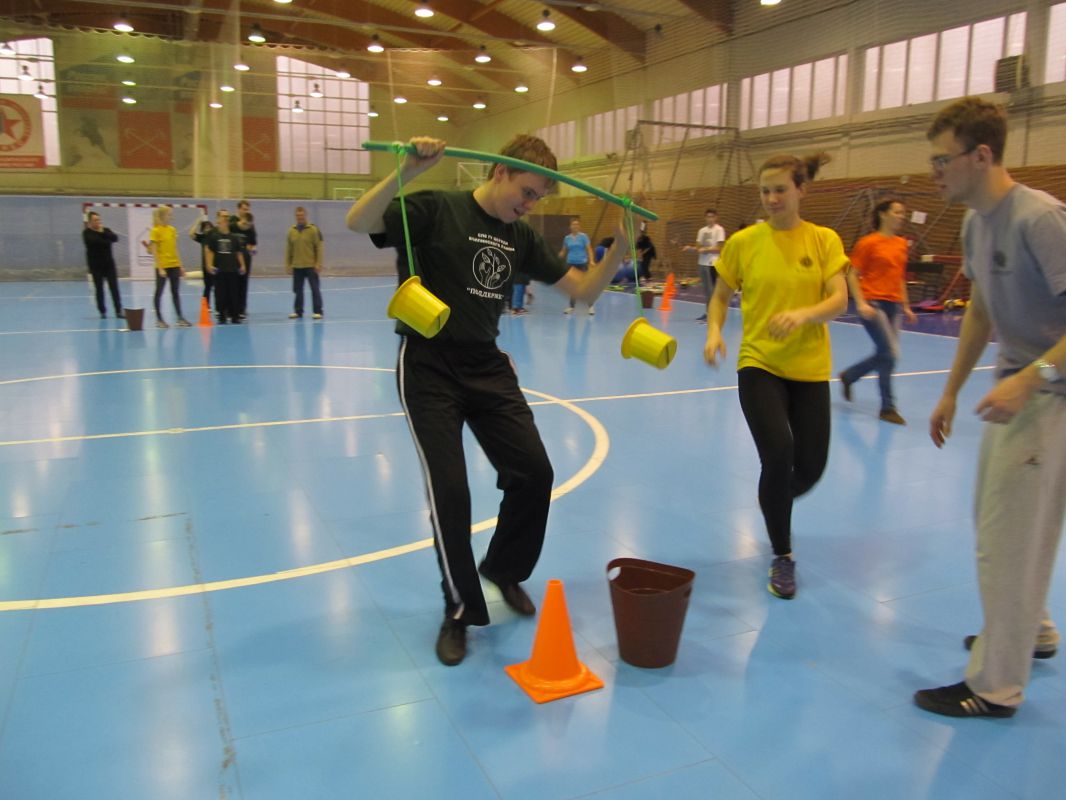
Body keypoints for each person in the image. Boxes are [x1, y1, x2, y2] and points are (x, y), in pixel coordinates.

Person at [345, 134, 626, 666]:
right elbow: (359, 222)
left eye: (539, 197)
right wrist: (409, 169)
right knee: (451, 492)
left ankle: (503, 569)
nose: (531, 204)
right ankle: (459, 611)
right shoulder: (437, 208)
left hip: (487, 366)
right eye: (527, 191)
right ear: (500, 172)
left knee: (534, 473)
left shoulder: (521, 237)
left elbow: (585, 292)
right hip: (428, 367)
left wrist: (621, 250)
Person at [913, 97, 1066, 719]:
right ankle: (1034, 630)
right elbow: (979, 311)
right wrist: (950, 390)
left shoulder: (1041, 219)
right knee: (1001, 524)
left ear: (981, 156)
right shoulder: (976, 224)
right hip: (1022, 388)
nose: (934, 172)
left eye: (941, 160)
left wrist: (1032, 378)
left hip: (1051, 395)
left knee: (1007, 540)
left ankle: (996, 686)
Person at [704, 153, 848, 600]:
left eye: (781, 189)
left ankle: (774, 497)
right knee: (779, 453)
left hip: (809, 368)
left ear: (802, 189)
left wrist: (804, 315)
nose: (771, 198)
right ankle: (782, 554)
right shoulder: (744, 242)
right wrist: (714, 332)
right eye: (765, 191)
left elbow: (840, 300)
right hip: (759, 363)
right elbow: (720, 295)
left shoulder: (823, 240)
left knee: (811, 467)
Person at [838, 199, 917, 424]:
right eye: (897, 212)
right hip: (874, 303)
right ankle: (887, 407)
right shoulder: (868, 243)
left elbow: (900, 277)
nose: (902, 216)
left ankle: (850, 376)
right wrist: (861, 303)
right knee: (890, 353)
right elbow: (852, 274)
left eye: (903, 212)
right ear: (883, 214)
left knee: (886, 355)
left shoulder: (901, 244)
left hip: (894, 305)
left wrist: (906, 306)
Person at [145, 205, 191, 328]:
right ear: (163, 216)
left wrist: (180, 266)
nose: (171, 217)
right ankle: (159, 319)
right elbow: (154, 251)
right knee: (159, 291)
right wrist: (160, 268)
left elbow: (175, 249)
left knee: (175, 292)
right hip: (163, 266)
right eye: (169, 214)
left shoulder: (172, 230)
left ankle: (180, 318)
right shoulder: (155, 231)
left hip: (174, 265)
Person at [203, 210, 247, 324]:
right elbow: (209, 251)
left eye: (227, 217)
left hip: (232, 270)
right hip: (220, 270)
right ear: (218, 220)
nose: (225, 219)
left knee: (234, 293)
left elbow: (238, 252)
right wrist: (209, 265)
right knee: (220, 294)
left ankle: (234, 315)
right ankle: (222, 315)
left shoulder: (234, 238)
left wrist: (242, 265)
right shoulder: (214, 237)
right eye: (223, 217)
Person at [684, 209, 726, 321]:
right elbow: (698, 247)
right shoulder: (701, 231)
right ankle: (708, 313)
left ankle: (714, 315)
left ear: (716, 217)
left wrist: (706, 250)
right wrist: (691, 248)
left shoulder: (719, 230)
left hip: (712, 264)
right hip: (702, 263)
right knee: (707, 291)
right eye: (708, 216)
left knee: (712, 291)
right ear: (705, 218)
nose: (710, 219)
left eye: (712, 216)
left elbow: (719, 248)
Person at [82, 211, 124, 319]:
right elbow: (95, 242)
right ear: (90, 222)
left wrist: (103, 233)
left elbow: (115, 238)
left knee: (114, 288)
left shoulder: (106, 230)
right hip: (96, 266)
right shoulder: (86, 233)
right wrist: (104, 238)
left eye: (99, 219)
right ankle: (102, 311)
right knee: (99, 289)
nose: (98, 222)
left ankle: (118, 310)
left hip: (109, 265)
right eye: (95, 220)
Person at [286, 206, 324, 320]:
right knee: (298, 290)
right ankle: (298, 311)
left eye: (302, 215)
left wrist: (318, 263)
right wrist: (288, 264)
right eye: (298, 215)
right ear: (295, 216)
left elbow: (319, 247)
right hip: (297, 265)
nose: (300, 217)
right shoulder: (291, 231)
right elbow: (289, 249)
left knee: (315, 289)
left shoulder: (313, 230)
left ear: (305, 215)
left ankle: (318, 311)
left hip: (311, 265)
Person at [561, 217, 595, 315]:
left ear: (579, 226)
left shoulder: (584, 237)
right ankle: (571, 307)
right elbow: (563, 251)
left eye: (577, 224)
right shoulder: (567, 238)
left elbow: (589, 249)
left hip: (582, 263)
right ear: (570, 226)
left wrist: (591, 260)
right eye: (573, 224)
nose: (575, 226)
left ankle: (590, 306)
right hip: (570, 264)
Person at [231, 200, 257, 319]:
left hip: (245, 258)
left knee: (243, 283)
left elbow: (253, 242)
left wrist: (250, 249)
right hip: (232, 258)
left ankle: (242, 309)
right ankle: (232, 308)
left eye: (247, 209)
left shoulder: (250, 225)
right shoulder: (232, 221)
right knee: (232, 283)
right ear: (239, 209)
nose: (246, 211)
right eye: (244, 209)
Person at [189, 213, 216, 310]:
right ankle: (206, 306)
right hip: (206, 266)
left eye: (209, 227)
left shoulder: (216, 237)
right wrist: (198, 221)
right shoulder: (203, 238)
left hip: (216, 265)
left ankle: (220, 307)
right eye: (205, 227)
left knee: (218, 287)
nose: (207, 229)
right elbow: (191, 234)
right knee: (208, 286)